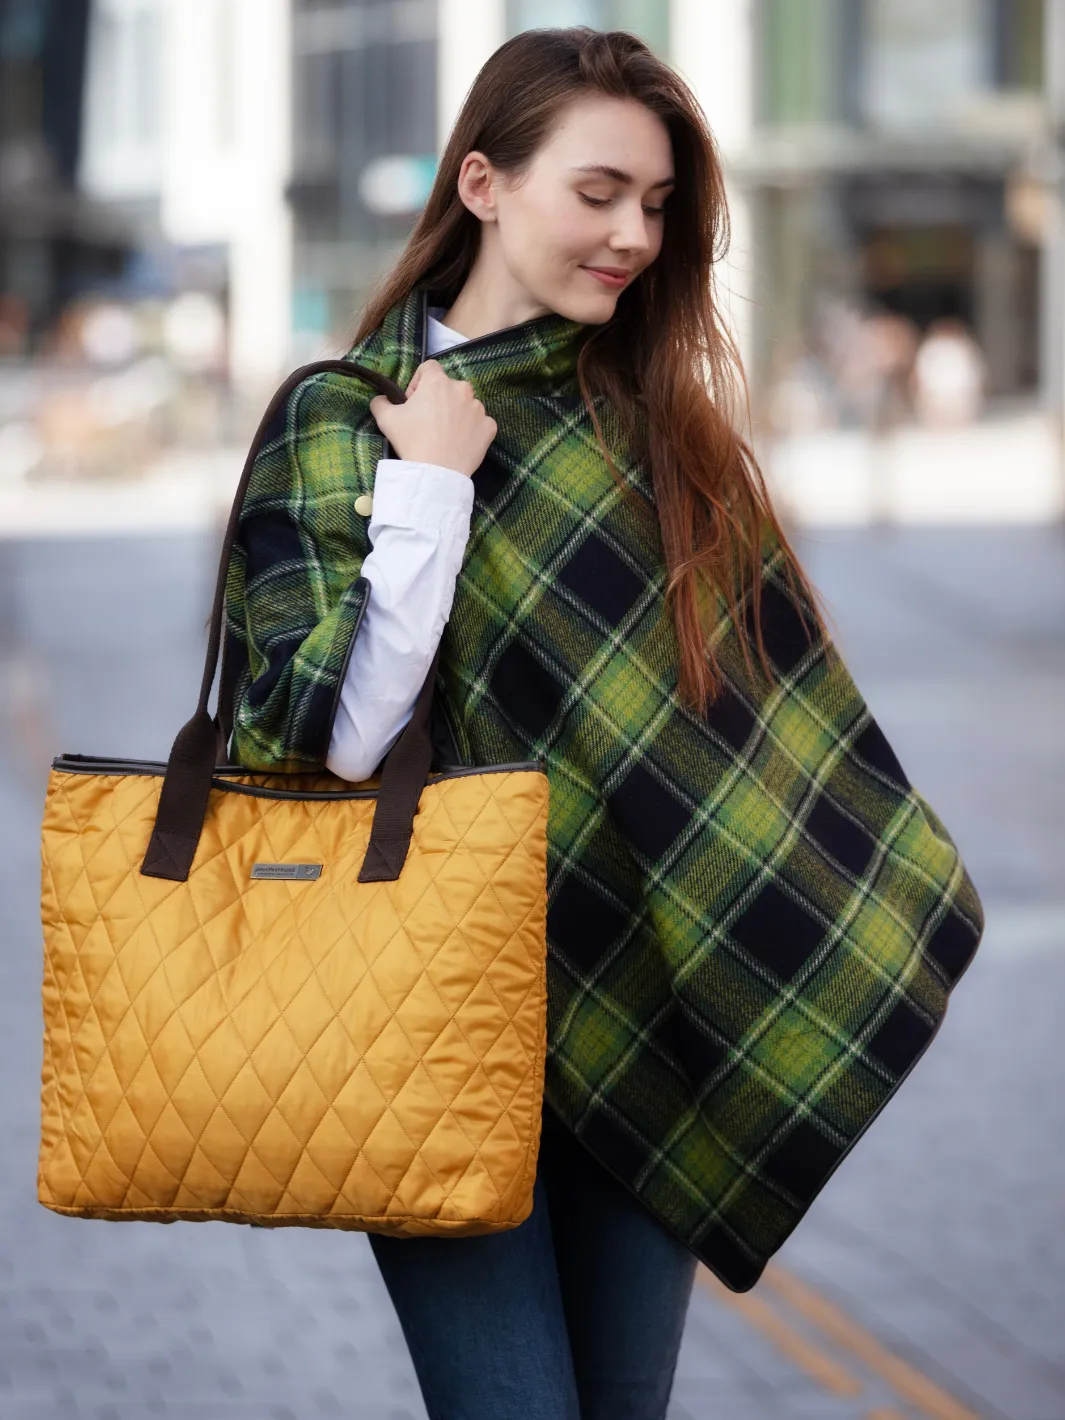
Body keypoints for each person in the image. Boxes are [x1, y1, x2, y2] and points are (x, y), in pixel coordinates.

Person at [222, 28, 983, 1420]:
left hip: (651, 1021)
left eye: (657, 205)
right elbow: (323, 736)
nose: (635, 233)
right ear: (484, 181)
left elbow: (755, 746)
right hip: (436, 1027)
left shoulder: (660, 432)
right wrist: (433, 491)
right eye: (600, 191)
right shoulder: (338, 422)